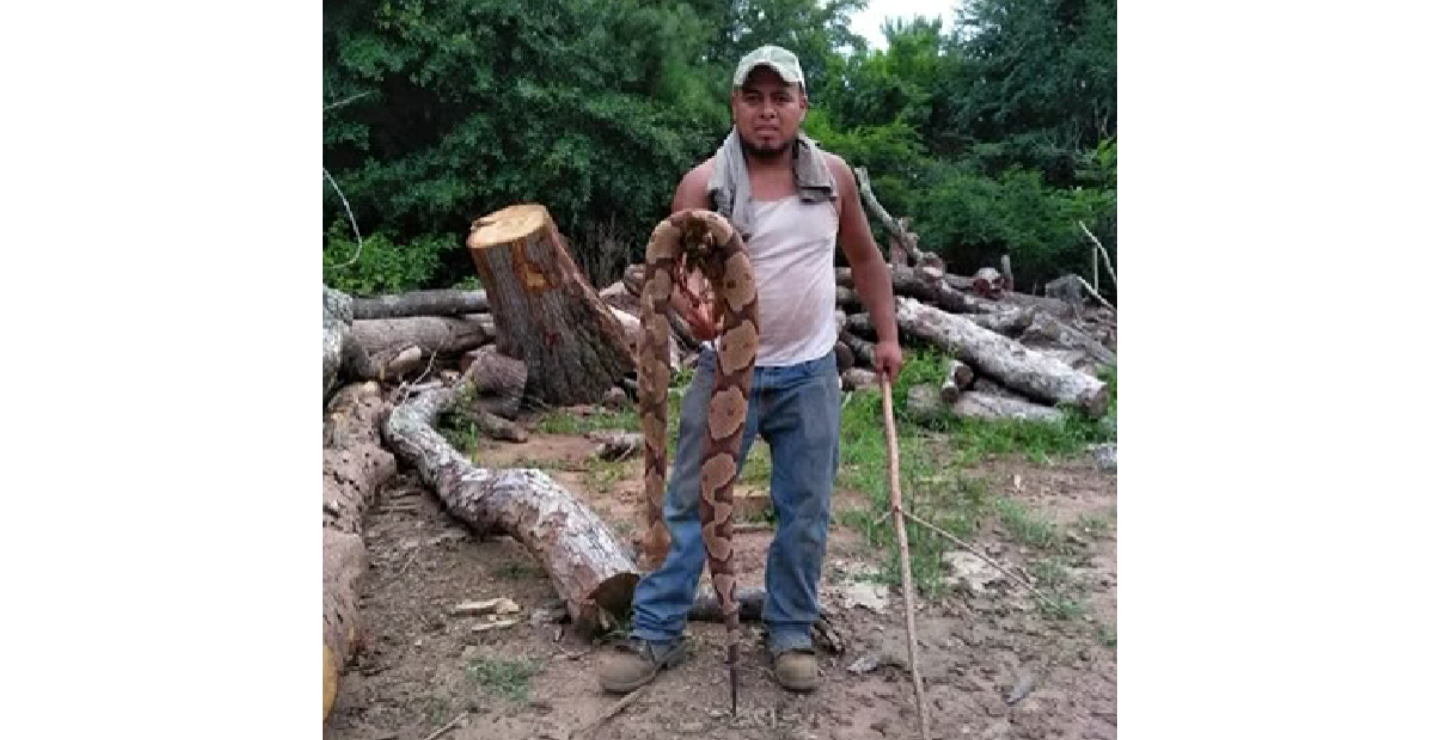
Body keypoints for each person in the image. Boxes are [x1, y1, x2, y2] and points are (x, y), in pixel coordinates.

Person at [597, 44, 903, 695]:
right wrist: (695, 311)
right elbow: (675, 280)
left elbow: (868, 260)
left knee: (807, 507)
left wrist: (887, 335)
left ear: (802, 105)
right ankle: (656, 633)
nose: (768, 111)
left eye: (781, 97)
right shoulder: (704, 184)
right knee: (684, 502)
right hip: (722, 373)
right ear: (735, 104)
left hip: (810, 373)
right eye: (754, 97)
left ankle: (790, 630)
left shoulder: (834, 179)